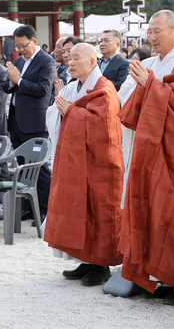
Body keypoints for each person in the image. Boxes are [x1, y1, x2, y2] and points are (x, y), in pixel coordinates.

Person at [106, 10, 174, 304]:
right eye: (149, 32)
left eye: (157, 31)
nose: (151, 38)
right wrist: (146, 85)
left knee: (171, 211)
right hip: (146, 148)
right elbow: (125, 100)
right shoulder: (150, 63)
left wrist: (152, 86)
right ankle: (155, 274)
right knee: (147, 210)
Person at [45, 43, 125, 286]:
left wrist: (71, 111)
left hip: (100, 163)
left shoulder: (104, 88)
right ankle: (86, 259)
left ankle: (101, 265)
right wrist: (64, 110)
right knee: (80, 210)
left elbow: (101, 123)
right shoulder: (72, 88)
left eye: (76, 58)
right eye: (69, 58)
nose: (70, 62)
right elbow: (56, 112)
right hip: (77, 160)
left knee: (99, 211)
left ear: (92, 62)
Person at [4, 24, 56, 223]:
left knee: (38, 168)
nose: (21, 50)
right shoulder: (18, 60)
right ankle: (28, 206)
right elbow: (8, 86)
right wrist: (10, 81)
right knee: (22, 166)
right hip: (17, 120)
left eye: (24, 45)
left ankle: (45, 209)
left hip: (34, 122)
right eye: (18, 46)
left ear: (35, 41)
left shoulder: (46, 61)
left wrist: (19, 81)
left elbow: (43, 89)